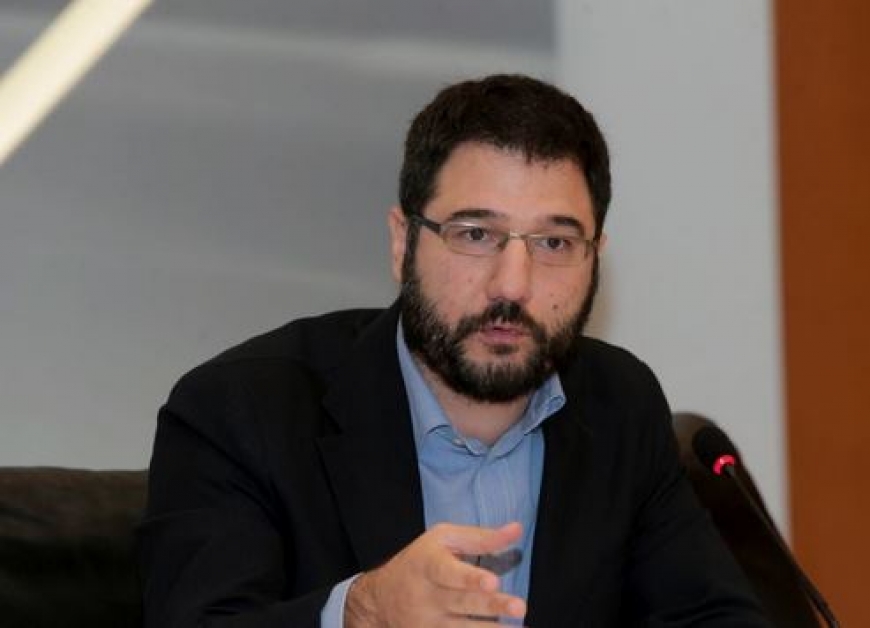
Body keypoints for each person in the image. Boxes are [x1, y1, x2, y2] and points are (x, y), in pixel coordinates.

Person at [139, 74, 771, 627]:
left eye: (554, 244)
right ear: (402, 243)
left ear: (595, 258)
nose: (512, 285)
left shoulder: (619, 405)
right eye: (475, 234)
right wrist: (364, 612)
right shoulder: (244, 411)